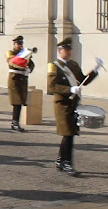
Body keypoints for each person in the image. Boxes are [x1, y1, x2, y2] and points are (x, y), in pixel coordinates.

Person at [48, 37, 102, 176]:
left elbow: (83, 80)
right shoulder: (54, 66)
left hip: (73, 103)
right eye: (66, 49)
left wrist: (95, 70)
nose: (69, 52)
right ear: (60, 51)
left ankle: (61, 161)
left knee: (70, 133)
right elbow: (52, 86)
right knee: (68, 133)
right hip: (62, 104)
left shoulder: (73, 64)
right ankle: (67, 163)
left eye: (70, 49)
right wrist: (70, 90)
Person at [6, 35, 35, 132]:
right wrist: (24, 54)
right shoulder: (10, 53)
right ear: (14, 44)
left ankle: (15, 122)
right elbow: (13, 62)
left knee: (21, 101)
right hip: (14, 79)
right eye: (18, 44)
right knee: (16, 102)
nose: (20, 46)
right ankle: (14, 123)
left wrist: (29, 68)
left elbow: (31, 64)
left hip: (22, 79)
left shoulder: (25, 54)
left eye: (21, 44)